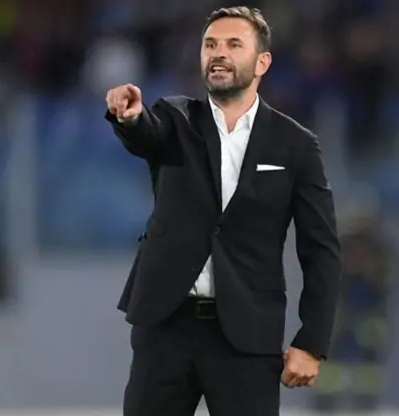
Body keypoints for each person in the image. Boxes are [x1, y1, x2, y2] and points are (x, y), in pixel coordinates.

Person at [105, 6, 341, 416]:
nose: (219, 53)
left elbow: (321, 249)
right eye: (210, 44)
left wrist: (312, 341)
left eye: (234, 44)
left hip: (247, 335)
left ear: (262, 62)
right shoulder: (175, 117)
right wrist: (129, 118)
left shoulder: (296, 145)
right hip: (166, 326)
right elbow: (146, 133)